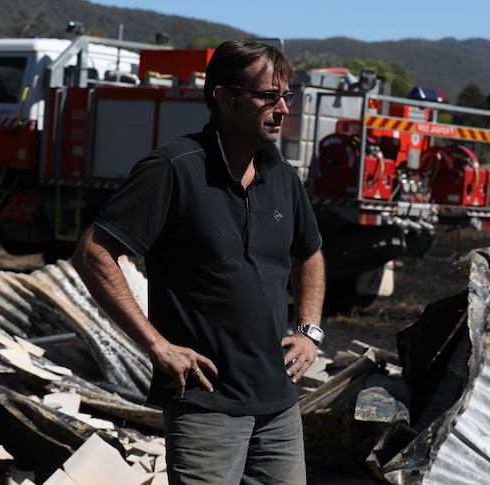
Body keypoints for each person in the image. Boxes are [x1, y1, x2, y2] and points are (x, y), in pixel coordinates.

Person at [72, 39, 326, 484]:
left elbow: (310, 252)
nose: (283, 108)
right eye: (268, 96)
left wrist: (309, 331)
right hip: (206, 405)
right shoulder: (173, 168)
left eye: (287, 96)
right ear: (225, 98)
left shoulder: (282, 175)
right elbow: (94, 252)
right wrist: (156, 345)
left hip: (279, 403)